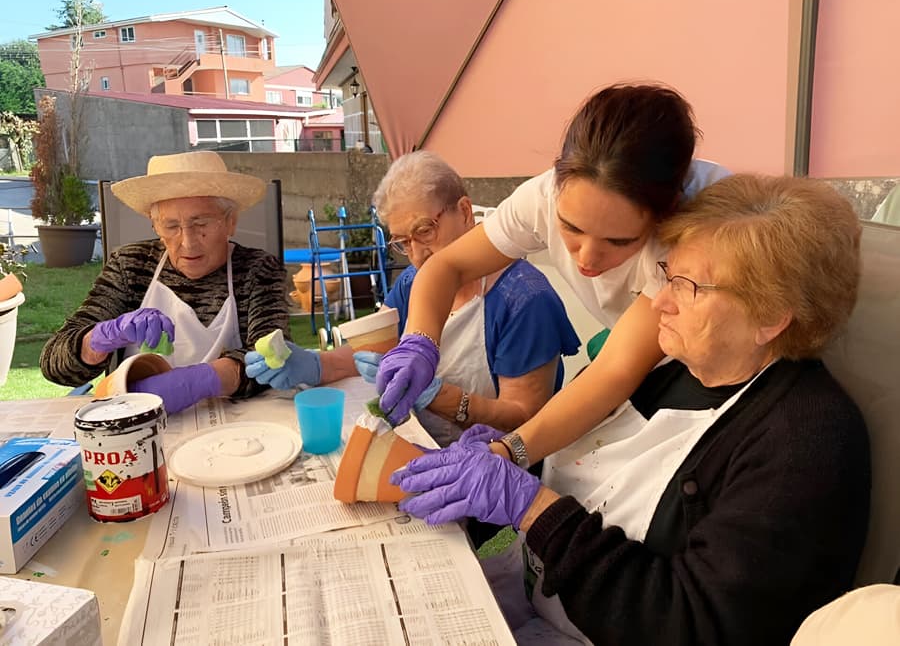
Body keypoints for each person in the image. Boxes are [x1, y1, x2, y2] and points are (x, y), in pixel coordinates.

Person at [391, 174, 871, 645]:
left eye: (687, 285)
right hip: (533, 609)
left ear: (769, 317)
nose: (658, 301)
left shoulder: (808, 442)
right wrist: (487, 470)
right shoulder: (669, 369)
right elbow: (564, 468)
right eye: (666, 273)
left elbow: (690, 622)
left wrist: (531, 507)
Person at [374, 84, 730, 474]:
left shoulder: (701, 231)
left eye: (619, 240)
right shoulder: (541, 197)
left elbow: (616, 371)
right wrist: (419, 342)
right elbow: (446, 267)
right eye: (571, 228)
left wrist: (508, 453)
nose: (588, 259)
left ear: (669, 210)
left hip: (715, 381)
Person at [245, 151, 580, 446]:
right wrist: (313, 364)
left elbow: (524, 419)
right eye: (403, 242)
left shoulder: (523, 299)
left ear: (464, 211)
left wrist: (437, 396)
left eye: (424, 231)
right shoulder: (409, 284)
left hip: (490, 468)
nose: (417, 255)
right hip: (418, 443)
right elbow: (375, 352)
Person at [41, 151, 289, 413]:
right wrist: (98, 340)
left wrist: (200, 381)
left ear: (231, 222)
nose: (188, 242)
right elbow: (53, 365)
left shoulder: (258, 269)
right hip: (137, 423)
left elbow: (274, 358)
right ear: (155, 226)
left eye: (201, 223)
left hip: (233, 429)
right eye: (171, 226)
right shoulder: (130, 266)